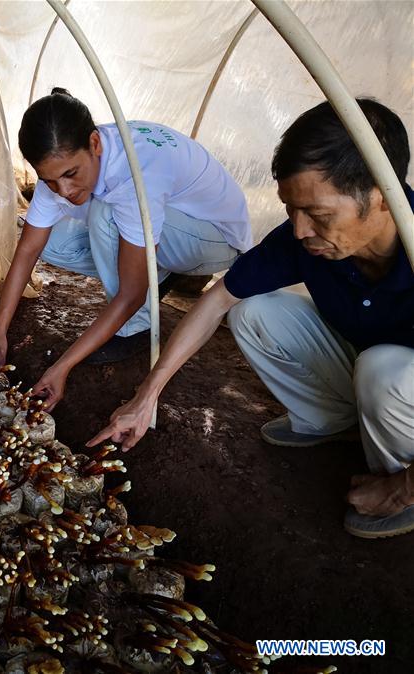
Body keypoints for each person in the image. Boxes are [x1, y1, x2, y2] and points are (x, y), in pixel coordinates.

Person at [88, 99, 414, 539]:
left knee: (385, 373)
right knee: (253, 310)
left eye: (318, 216)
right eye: (289, 210)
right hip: (373, 372)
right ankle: (332, 421)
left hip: (395, 384)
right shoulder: (306, 240)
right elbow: (218, 299)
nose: (300, 231)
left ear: (381, 197)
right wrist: (148, 395)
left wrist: (404, 487)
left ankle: (397, 479)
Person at [0, 89, 252, 410]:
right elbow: (28, 251)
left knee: (105, 215)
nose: (63, 191)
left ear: (94, 144)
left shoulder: (134, 174)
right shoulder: (63, 163)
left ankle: (137, 325)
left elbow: (131, 292)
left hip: (215, 238)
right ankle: (159, 269)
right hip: (170, 227)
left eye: (70, 174)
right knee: (48, 239)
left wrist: (62, 366)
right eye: (50, 181)